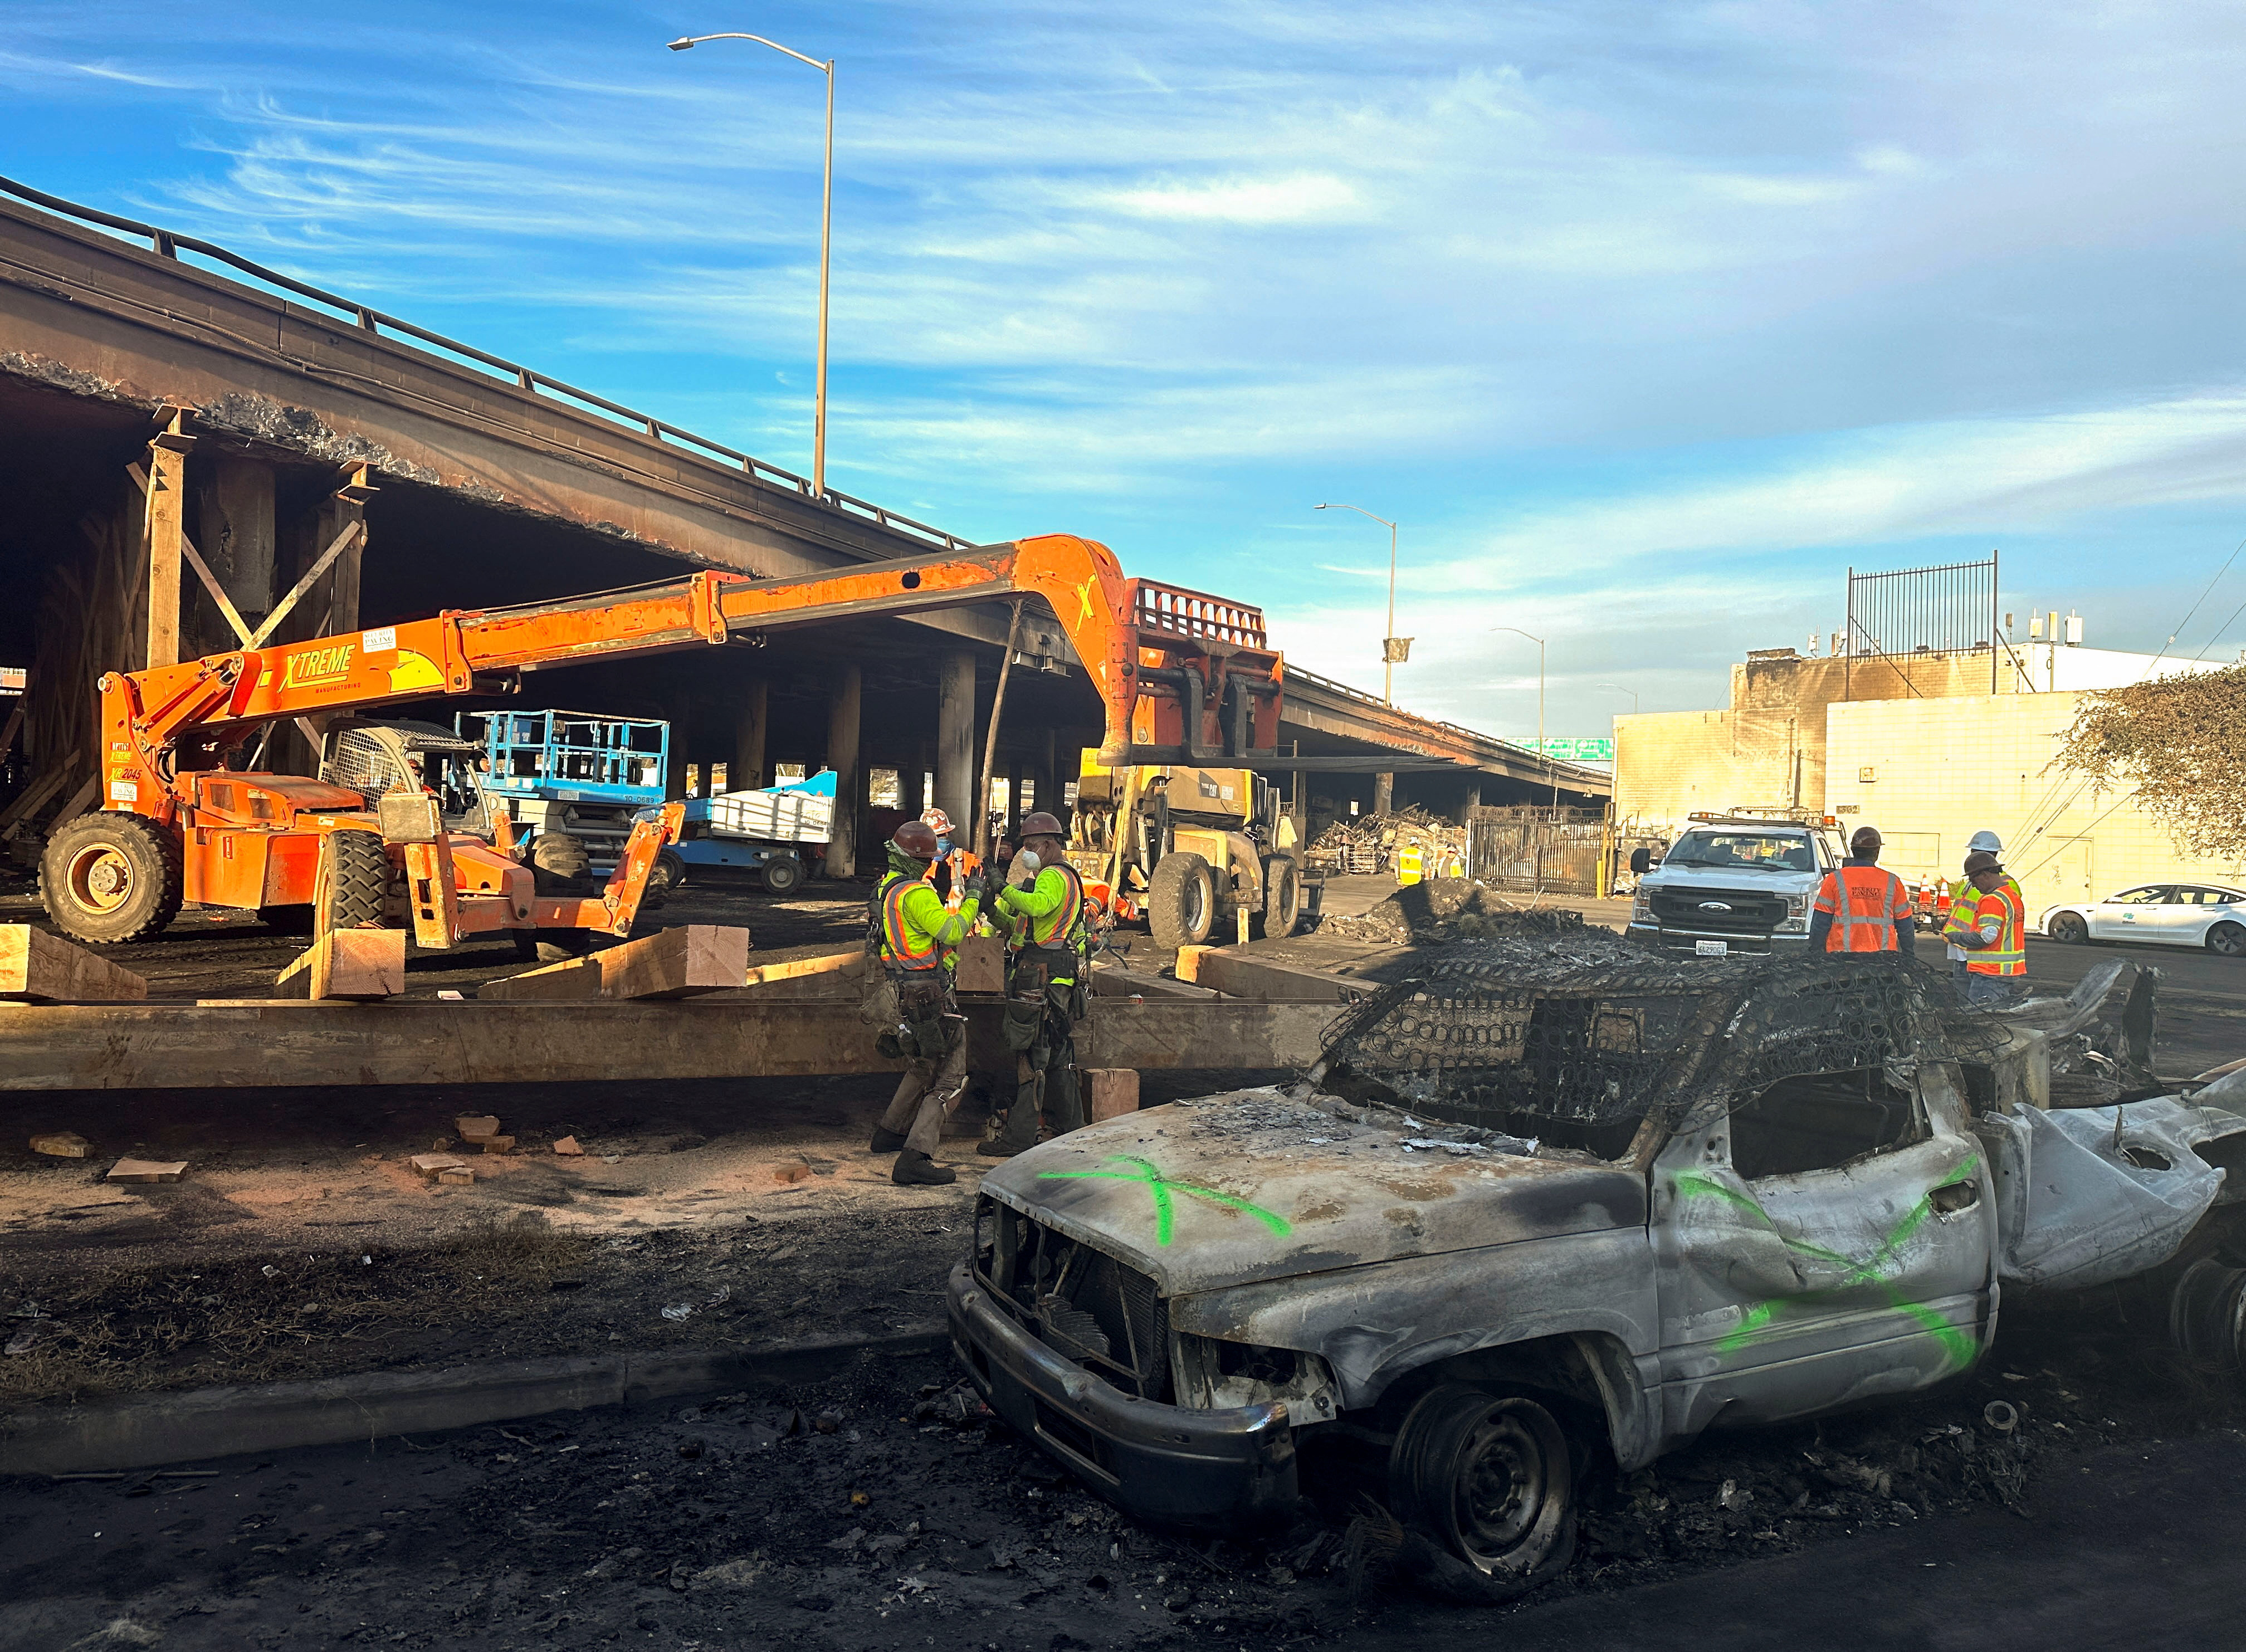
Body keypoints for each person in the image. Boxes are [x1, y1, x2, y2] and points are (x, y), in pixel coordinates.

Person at [867, 820, 987, 1185]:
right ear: (917, 860)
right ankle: (915, 1157)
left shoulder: (885, 888)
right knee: (951, 1075)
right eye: (928, 859)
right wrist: (976, 896)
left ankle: (889, 1133)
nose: (930, 865)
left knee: (922, 1065)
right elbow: (952, 931)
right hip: (929, 994)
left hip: (901, 989)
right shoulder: (916, 894)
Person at [981, 810, 1089, 1157]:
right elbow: (1019, 923)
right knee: (1058, 1056)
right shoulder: (1054, 876)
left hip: (1044, 980)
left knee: (1033, 1056)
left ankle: (1019, 1138)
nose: (1025, 853)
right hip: (1056, 979)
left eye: (1029, 846)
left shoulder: (1054, 877)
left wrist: (1001, 886)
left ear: (1047, 844)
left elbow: (1037, 907)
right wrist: (990, 907)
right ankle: (1075, 1132)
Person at [1806, 825, 1914, 954]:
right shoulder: (1893, 882)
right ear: (1877, 852)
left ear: (1853, 850)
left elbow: (1820, 923)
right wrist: (1909, 954)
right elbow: (1905, 926)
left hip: (1842, 959)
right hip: (1884, 960)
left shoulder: (1834, 880)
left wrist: (1816, 952)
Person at [1945, 848, 2027, 1003]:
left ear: (1985, 875)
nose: (1974, 886)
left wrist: (1956, 937)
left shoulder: (1992, 900)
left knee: (1982, 1020)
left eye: (1974, 881)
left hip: (1989, 973)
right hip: (2006, 972)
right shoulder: (2011, 896)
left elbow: (1986, 936)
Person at [1944, 830, 2019, 981]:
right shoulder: (1972, 882)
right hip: (1962, 948)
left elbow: (2000, 924)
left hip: (1981, 953)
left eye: (1974, 852)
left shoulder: (2003, 884)